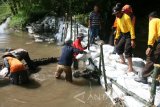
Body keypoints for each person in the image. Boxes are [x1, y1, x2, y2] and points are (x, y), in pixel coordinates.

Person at [135, 11, 160, 84]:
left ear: (150, 18)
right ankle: (157, 78)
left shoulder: (153, 21)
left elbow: (152, 34)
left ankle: (143, 76)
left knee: (152, 58)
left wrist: (150, 46)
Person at [113, 5, 136, 72]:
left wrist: (132, 39)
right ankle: (123, 61)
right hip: (123, 35)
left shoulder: (126, 17)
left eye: (117, 13)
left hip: (129, 35)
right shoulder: (118, 18)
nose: (116, 15)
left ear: (120, 11)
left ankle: (130, 68)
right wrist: (116, 38)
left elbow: (131, 28)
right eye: (115, 14)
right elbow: (118, 29)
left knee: (127, 51)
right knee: (118, 48)